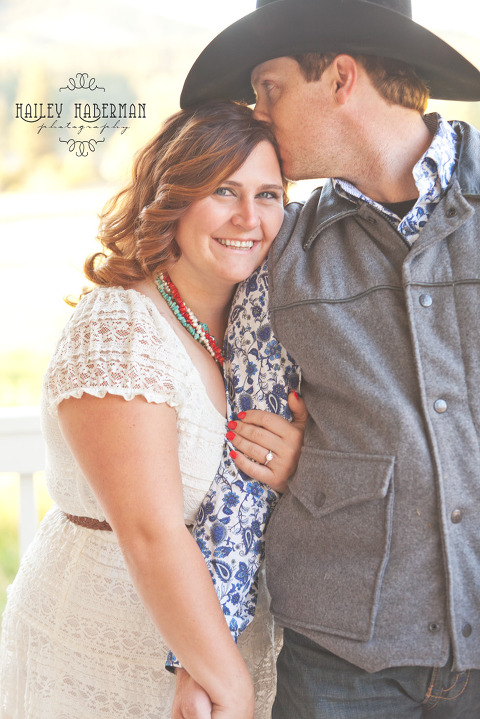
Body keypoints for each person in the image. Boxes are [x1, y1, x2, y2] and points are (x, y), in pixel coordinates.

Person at [173, 0, 480, 716]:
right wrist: (205, 657)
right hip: (342, 664)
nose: (257, 113)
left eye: (270, 87)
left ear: (341, 78)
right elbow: (240, 475)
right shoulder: (280, 256)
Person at [0, 100, 307, 719]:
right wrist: (233, 691)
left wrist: (292, 463)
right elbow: (150, 533)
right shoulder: (120, 328)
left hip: (219, 646)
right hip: (103, 647)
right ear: (174, 198)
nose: (250, 217)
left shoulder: (261, 326)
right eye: (224, 190)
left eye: (269, 194)